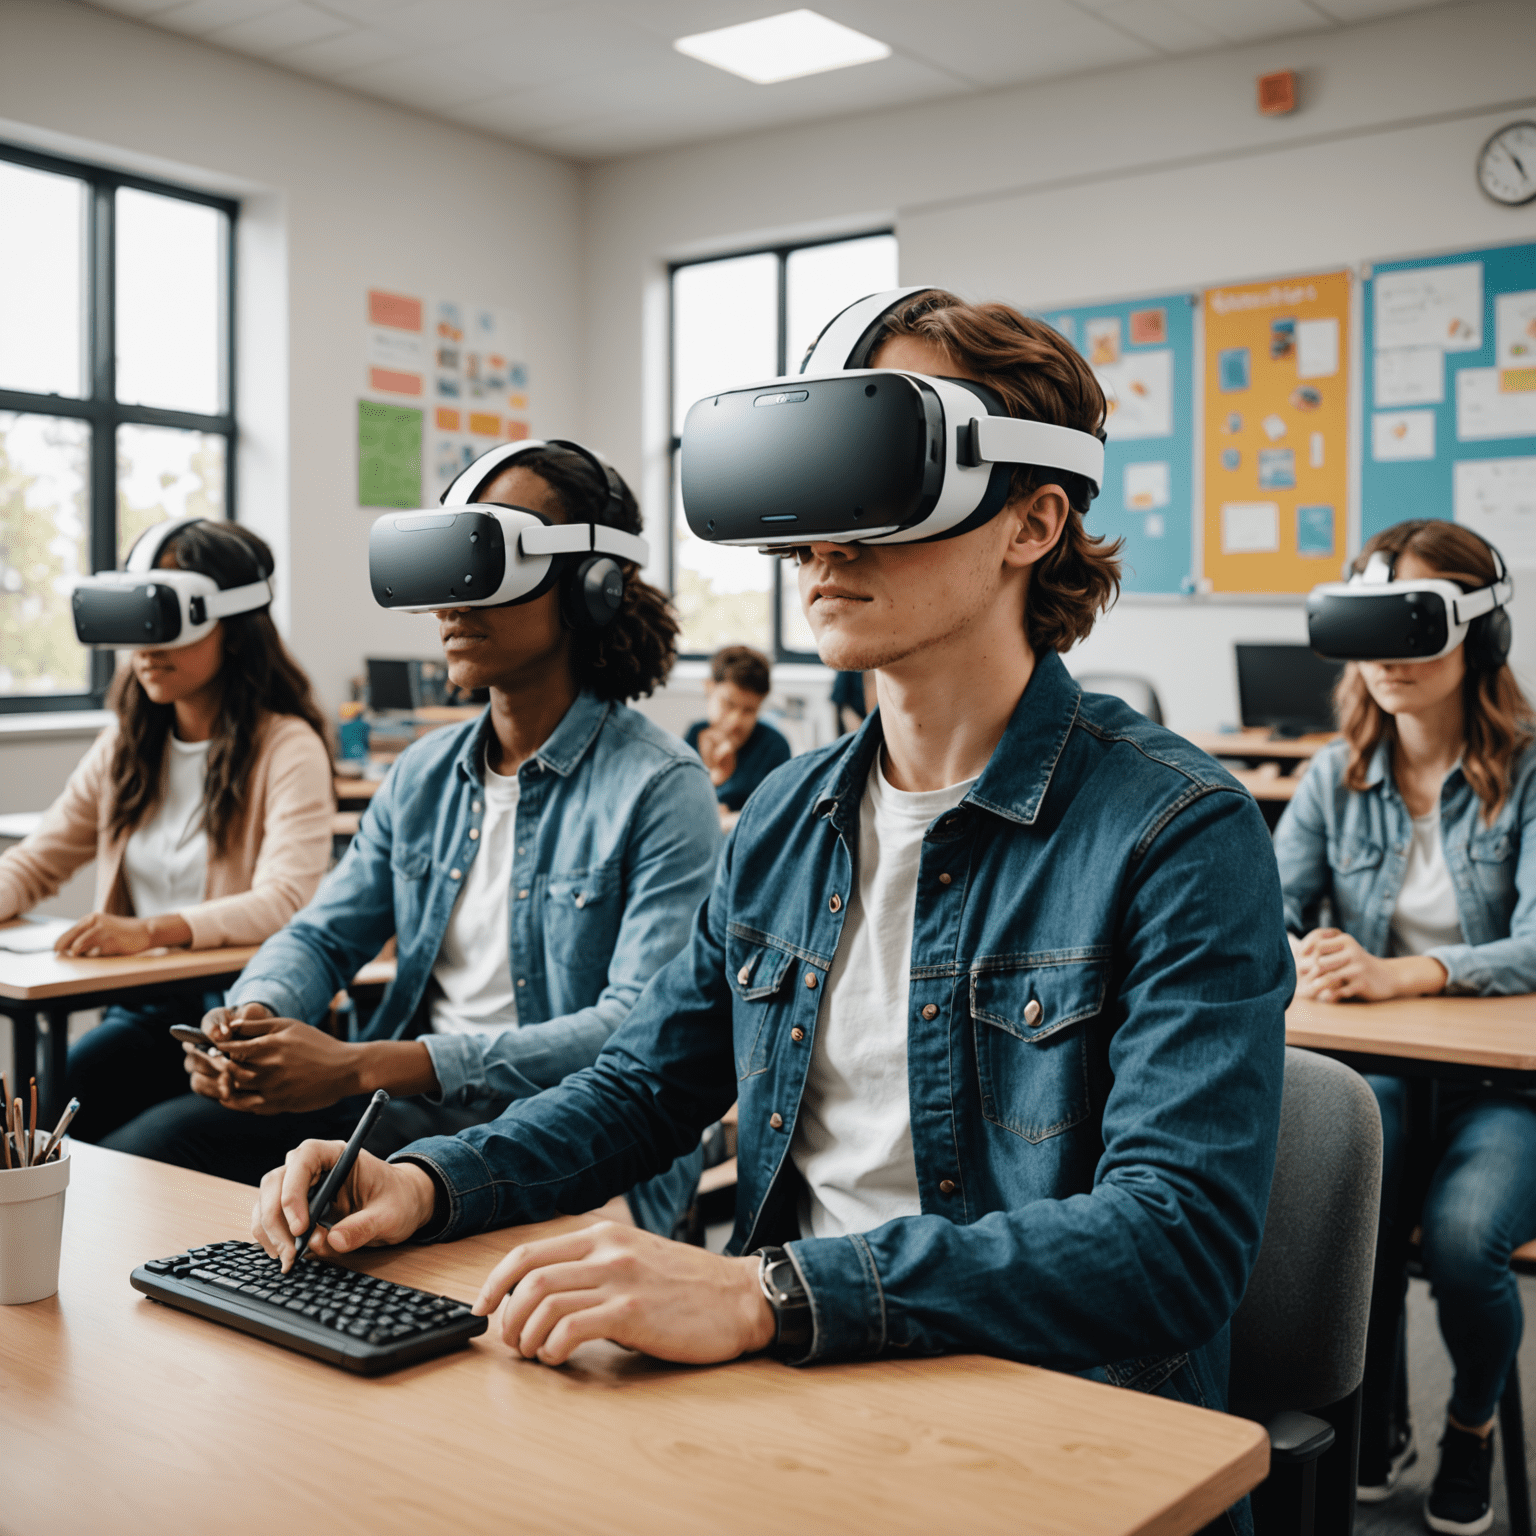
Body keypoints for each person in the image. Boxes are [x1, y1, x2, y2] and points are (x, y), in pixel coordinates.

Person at [252, 292, 1290, 1513]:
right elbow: (645, 1087)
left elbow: (1174, 1243)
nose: (820, 544)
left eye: (874, 482)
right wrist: (430, 1183)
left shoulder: (1177, 829)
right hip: (793, 1386)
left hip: (1051, 1417)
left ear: (1034, 519)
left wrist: (767, 1292)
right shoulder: (790, 819)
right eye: (803, 496)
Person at [109, 442, 722, 1235]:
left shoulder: (661, 786)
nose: (453, 602)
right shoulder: (423, 773)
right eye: (447, 569)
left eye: (491, 564)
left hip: (574, 1139)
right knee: (153, 1158)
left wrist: (364, 1065)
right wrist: (255, 1016)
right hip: (407, 1116)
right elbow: (324, 935)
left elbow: (633, 1028)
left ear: (592, 587)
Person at [1274, 518, 1536, 1536]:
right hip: (1378, 1069)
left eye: (1412, 626)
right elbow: (1272, 911)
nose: (1386, 657)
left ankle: (1472, 1422)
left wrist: (1405, 971)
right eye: (1367, 627)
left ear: (1482, 634)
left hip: (1503, 1084)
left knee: (1469, 1240)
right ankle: (1371, 1417)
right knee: (1345, 1212)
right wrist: (1298, 951)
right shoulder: (1331, 777)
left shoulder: (1528, 770)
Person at [0, 520, 334, 1145]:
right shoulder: (129, 744)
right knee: (23, 1131)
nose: (147, 649)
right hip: (145, 1012)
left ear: (232, 628)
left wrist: (150, 931)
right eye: (137, 625)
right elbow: (38, 860)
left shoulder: (288, 747)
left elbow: (285, 901)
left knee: (118, 1157)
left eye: (171, 623)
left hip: (235, 1020)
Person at [685, 645, 792, 831]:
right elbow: (680, 802)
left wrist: (733, 819)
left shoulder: (774, 746)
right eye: (728, 704)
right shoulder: (695, 735)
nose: (736, 721)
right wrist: (714, 779)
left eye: (749, 711)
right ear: (709, 687)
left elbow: (779, 814)